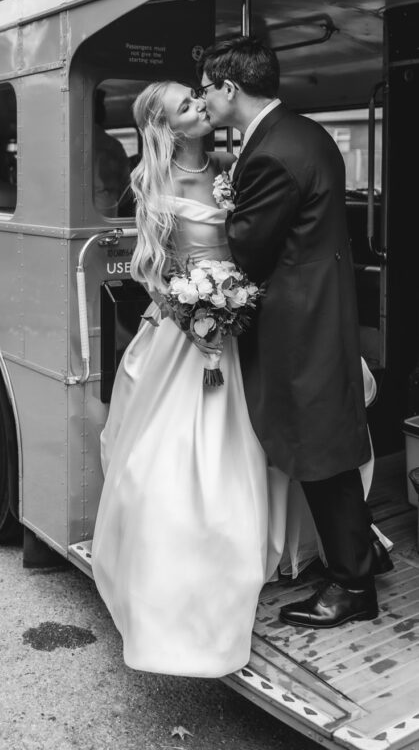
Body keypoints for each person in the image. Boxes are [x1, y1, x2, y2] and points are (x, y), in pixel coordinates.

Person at [91, 80, 287, 677]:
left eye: (198, 99)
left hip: (237, 323)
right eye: (186, 105)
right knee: (173, 456)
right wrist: (193, 309)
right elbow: (149, 272)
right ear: (166, 128)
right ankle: (170, 580)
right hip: (186, 333)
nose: (201, 106)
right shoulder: (154, 186)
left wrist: (232, 303)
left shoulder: (231, 167)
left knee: (245, 445)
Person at [198, 36, 389, 629]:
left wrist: (222, 209)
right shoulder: (307, 133)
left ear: (230, 89)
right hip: (324, 309)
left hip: (297, 322)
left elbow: (251, 249)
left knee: (317, 447)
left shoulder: (270, 154)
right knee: (328, 436)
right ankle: (362, 553)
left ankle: (352, 586)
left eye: (207, 87)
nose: (204, 97)